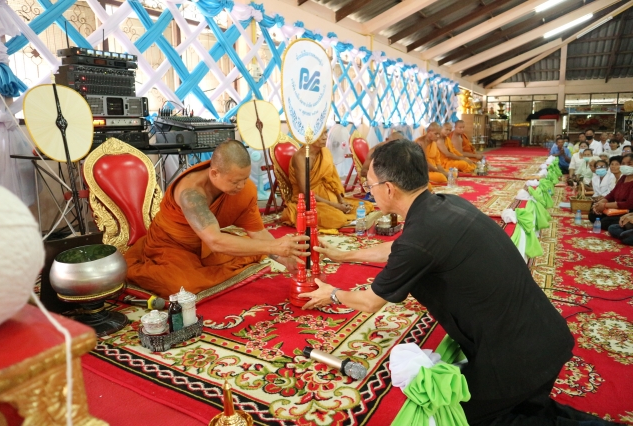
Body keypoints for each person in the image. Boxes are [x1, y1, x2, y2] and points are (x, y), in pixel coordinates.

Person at [298, 139, 616, 426]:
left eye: (370, 185)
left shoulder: (419, 237)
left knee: (470, 416)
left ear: (389, 189)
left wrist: (333, 294)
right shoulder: (447, 205)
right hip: (542, 334)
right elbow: (399, 248)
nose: (370, 192)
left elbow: (370, 300)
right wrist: (345, 255)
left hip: (517, 358)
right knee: (532, 409)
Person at [125, 140, 309, 298]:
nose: (241, 186)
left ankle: (208, 265)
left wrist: (284, 258)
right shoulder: (191, 193)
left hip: (207, 243)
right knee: (182, 287)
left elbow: (258, 232)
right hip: (172, 246)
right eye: (235, 181)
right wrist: (273, 246)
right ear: (214, 173)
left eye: (245, 179)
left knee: (254, 249)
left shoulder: (244, 189)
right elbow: (215, 241)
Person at [282, 128, 375, 230]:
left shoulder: (325, 152)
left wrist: (340, 200)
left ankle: (342, 213)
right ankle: (342, 215)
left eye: (325, 133)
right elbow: (306, 192)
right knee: (337, 219)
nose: (325, 137)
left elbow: (331, 179)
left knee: (366, 206)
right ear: (309, 136)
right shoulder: (301, 157)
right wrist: (335, 206)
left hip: (329, 196)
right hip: (310, 201)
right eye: (320, 134)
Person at [590, 153, 633, 229]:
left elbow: (629, 204)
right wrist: (600, 203)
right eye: (623, 164)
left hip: (628, 211)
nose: (625, 166)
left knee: (605, 223)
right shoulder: (623, 177)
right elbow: (612, 194)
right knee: (592, 215)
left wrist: (604, 205)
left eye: (629, 164)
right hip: (616, 209)